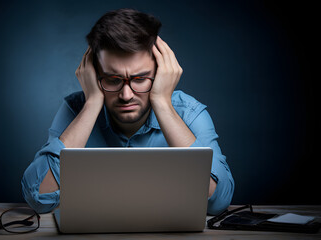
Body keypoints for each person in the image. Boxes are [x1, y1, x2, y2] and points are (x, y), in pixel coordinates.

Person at [21, 8, 234, 215]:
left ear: (161, 73)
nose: (126, 95)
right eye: (112, 80)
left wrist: (162, 103)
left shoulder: (188, 113)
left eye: (140, 79)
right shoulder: (76, 109)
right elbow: (39, 197)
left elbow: (217, 201)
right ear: (94, 75)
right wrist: (93, 101)